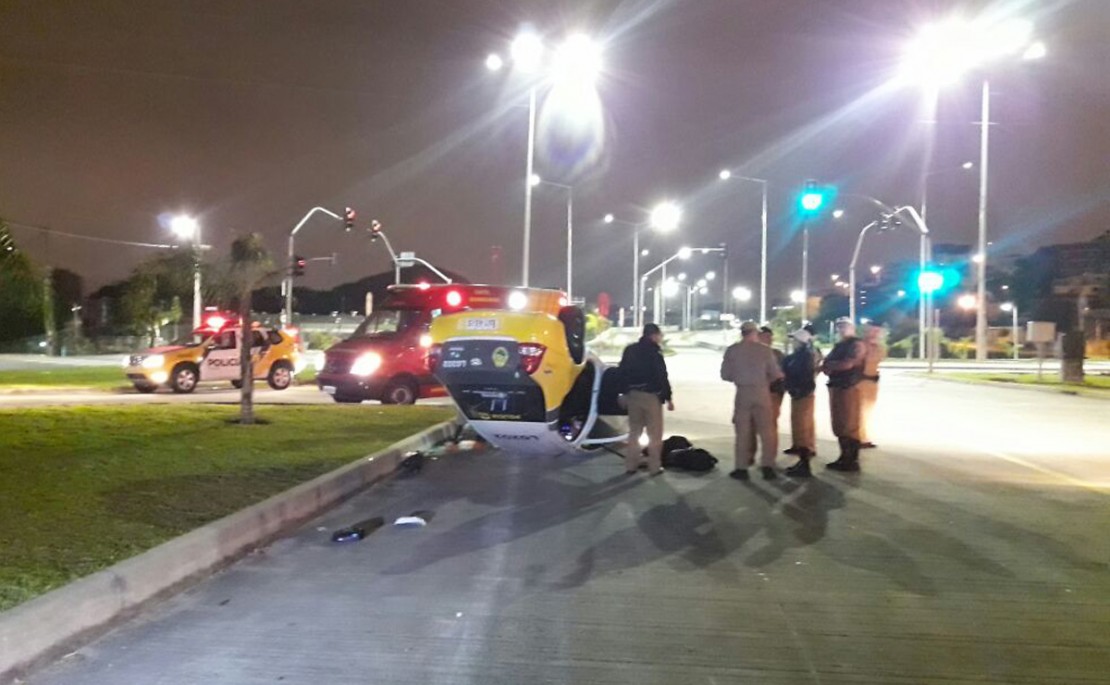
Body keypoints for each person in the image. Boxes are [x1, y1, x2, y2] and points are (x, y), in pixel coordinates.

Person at [721, 321, 784, 481]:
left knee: (742, 432)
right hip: (762, 392)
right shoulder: (765, 350)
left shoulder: (732, 350)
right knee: (767, 431)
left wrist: (740, 376)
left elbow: (725, 375)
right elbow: (776, 374)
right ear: (755, 333)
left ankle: (741, 468)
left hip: (743, 392)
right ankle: (767, 466)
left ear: (742, 333)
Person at [618, 323, 674, 476]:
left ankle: (631, 465)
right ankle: (654, 467)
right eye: (659, 335)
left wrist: (622, 393)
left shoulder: (630, 350)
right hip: (651, 397)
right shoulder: (654, 352)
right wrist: (668, 397)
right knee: (654, 434)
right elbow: (662, 375)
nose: (660, 338)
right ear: (653, 335)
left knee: (634, 432)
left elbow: (621, 372)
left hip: (633, 395)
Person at [821, 317, 867, 472]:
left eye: (844, 326)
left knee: (849, 425)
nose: (840, 329)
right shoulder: (840, 345)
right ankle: (844, 457)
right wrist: (831, 366)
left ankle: (851, 460)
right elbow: (827, 364)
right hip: (836, 386)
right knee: (839, 425)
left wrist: (831, 365)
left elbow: (848, 364)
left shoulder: (856, 344)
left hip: (849, 387)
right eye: (839, 326)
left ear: (852, 327)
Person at [782, 328, 822, 477]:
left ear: (800, 341)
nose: (792, 342)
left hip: (802, 394)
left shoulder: (804, 356)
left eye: (794, 339)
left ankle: (804, 464)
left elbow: (803, 376)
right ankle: (802, 461)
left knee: (802, 428)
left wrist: (795, 388)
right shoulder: (800, 355)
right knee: (801, 427)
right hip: (800, 394)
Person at [858, 324, 886, 449]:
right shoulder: (860, 345)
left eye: (877, 331)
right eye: (873, 331)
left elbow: (880, 358)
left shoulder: (879, 347)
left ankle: (863, 437)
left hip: (872, 382)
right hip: (860, 381)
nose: (875, 334)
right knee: (859, 411)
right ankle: (858, 437)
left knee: (868, 411)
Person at [758, 326, 786, 426]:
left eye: (770, 336)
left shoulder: (777, 354)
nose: (769, 339)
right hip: (758, 393)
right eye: (766, 336)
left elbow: (783, 372)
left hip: (773, 392)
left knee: (770, 422)